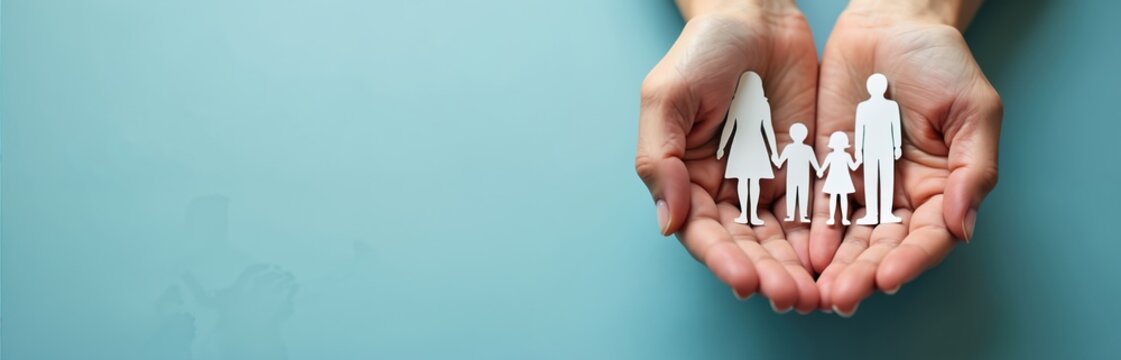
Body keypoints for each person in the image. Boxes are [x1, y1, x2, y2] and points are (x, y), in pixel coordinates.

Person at [634, 0, 1002, 316]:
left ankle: (877, 210)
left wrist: (909, 11)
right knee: (788, 187)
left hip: (869, 155)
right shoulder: (765, 114)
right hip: (800, 160)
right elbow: (768, 142)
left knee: (881, 183)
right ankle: (771, 210)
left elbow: (839, 149)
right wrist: (743, 7)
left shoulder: (880, 108)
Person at [716, 71, 780, 226]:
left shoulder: (738, 103)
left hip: (742, 145)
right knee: (753, 181)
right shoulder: (761, 104)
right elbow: (768, 130)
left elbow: (729, 128)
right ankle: (750, 214)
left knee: (744, 181)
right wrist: (774, 153)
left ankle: (747, 213)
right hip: (756, 146)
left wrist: (721, 147)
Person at [854, 73, 904, 225]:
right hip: (872, 148)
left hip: (884, 148)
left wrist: (897, 146)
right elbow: (859, 129)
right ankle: (872, 214)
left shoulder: (891, 106)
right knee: (873, 180)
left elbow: (895, 126)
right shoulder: (863, 107)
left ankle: (885, 213)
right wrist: (858, 150)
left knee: (886, 180)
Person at [774, 123, 819, 223]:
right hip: (798, 176)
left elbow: (779, 163)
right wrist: (819, 170)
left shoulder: (791, 148)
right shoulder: (806, 149)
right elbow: (814, 163)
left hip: (796, 176)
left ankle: (797, 215)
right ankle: (797, 215)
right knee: (800, 194)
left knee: (794, 194)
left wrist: (774, 158)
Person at [818, 132, 860, 226]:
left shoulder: (846, 156)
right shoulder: (831, 156)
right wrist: (820, 170)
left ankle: (844, 218)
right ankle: (832, 218)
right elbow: (824, 166)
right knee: (834, 198)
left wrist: (858, 162)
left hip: (843, 179)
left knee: (842, 198)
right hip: (834, 178)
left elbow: (853, 167)